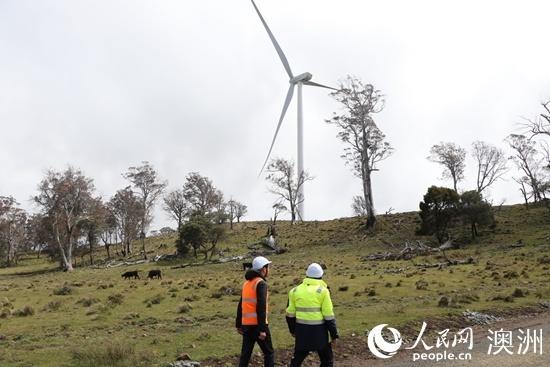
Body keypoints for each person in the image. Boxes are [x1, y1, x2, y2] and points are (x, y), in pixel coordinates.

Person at [286, 263, 339, 367]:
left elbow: (289, 315)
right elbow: (329, 316)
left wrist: (293, 330)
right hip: (320, 333)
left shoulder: (294, 291)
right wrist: (334, 335)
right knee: (327, 360)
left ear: (306, 275)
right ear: (321, 276)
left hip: (301, 332)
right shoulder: (323, 291)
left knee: (297, 360)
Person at [236, 256, 274, 367]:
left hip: (247, 326)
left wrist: (238, 324)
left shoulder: (246, 284)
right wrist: (262, 329)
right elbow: (261, 306)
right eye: (267, 267)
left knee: (245, 355)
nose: (268, 270)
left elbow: (240, 305)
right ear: (263, 269)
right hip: (258, 326)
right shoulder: (261, 283)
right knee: (269, 353)